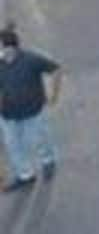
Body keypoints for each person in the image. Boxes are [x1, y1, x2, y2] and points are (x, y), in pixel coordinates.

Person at [0, 27, 60, 191]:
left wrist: (54, 95)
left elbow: (55, 70)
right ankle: (25, 175)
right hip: (8, 115)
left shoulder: (31, 60)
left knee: (40, 138)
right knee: (13, 145)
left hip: (33, 111)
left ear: (10, 48)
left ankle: (48, 160)